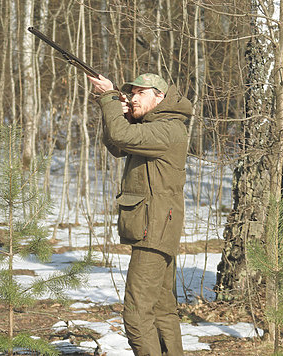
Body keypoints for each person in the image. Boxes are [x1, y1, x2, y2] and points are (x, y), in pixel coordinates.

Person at [88, 73, 192, 356]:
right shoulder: (154, 127)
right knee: (162, 312)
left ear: (159, 97)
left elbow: (121, 135)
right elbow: (117, 145)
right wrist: (115, 109)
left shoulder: (168, 129)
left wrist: (109, 97)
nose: (133, 98)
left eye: (140, 94)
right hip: (155, 229)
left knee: (136, 316)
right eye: (130, 94)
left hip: (153, 231)